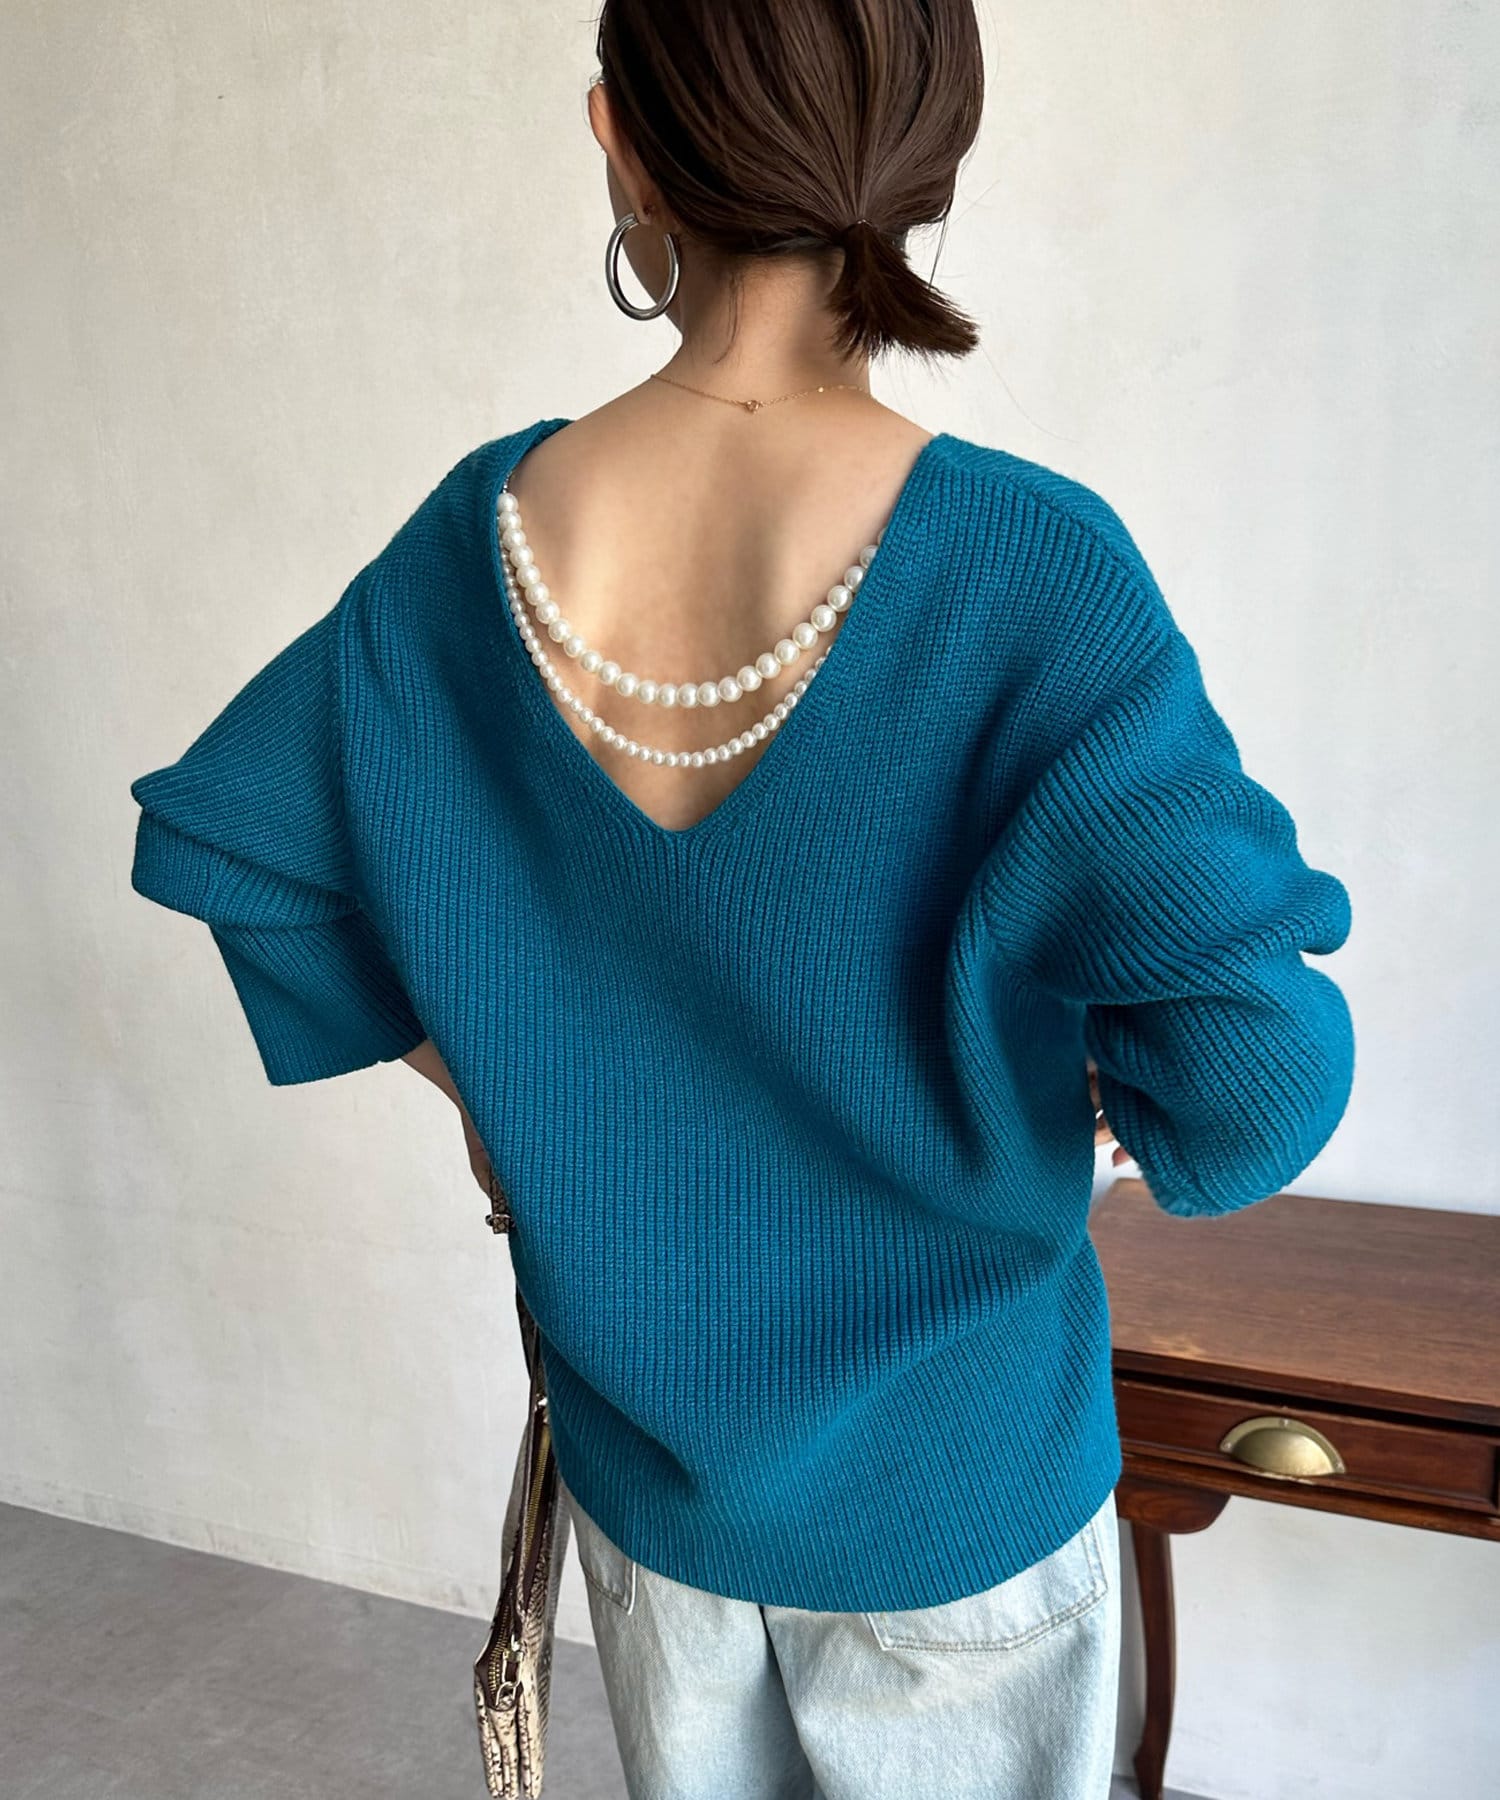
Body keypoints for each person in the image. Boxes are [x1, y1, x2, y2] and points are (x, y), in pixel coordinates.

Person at [126, 3, 1356, 1796]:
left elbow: (244, 856)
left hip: (655, 1497)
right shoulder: (1031, 571)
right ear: (930, 154)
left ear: (622, 138)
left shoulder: (473, 546)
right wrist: (1084, 1092)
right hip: (961, 1494)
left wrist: (515, 1095)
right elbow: (1256, 1091)